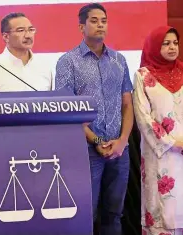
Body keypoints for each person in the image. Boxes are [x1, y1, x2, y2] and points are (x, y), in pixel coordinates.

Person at [54, 3, 134, 235]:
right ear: (82, 26)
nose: (101, 25)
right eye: (94, 20)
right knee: (86, 214)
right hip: (86, 150)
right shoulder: (68, 62)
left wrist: (122, 141)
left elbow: (127, 105)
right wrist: (97, 140)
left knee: (114, 214)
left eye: (104, 21)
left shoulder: (119, 60)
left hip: (120, 150)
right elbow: (67, 110)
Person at [134, 26, 183, 235]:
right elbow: (143, 116)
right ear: (155, 46)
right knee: (162, 209)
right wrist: (170, 143)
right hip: (161, 153)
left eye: (175, 42)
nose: (172, 47)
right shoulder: (142, 76)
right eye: (165, 43)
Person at [0, 12, 53, 92]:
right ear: (6, 37)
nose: (28, 36)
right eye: (21, 30)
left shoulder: (44, 66)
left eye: (31, 30)